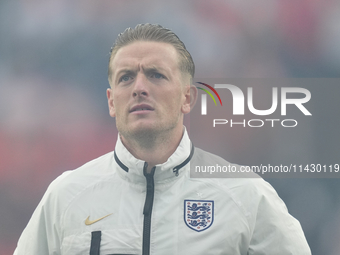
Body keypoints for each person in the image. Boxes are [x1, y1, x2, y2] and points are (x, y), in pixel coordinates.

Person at [14, 24, 311, 255]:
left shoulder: (247, 195)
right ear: (111, 101)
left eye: (156, 75)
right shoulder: (65, 197)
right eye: (126, 77)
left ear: (188, 97)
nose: (139, 87)